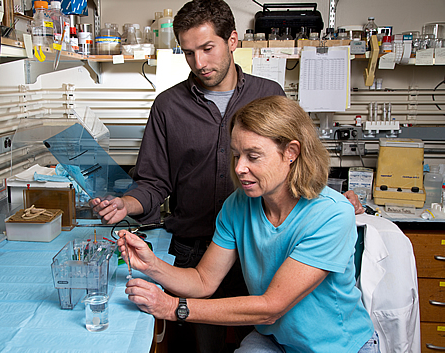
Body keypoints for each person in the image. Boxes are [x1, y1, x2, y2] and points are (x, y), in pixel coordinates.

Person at [92, 0, 362, 351]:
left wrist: (330, 200)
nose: (199, 63)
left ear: (232, 40)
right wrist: (134, 220)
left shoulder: (268, 95)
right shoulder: (170, 108)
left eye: (207, 48)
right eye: (189, 53)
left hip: (280, 280)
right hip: (200, 248)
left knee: (270, 319)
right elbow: (155, 182)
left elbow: (292, 162)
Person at [116, 95, 379, 353]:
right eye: (236, 155)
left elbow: (271, 307)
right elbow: (203, 280)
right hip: (277, 340)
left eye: (253, 156)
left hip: (336, 346)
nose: (240, 167)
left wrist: (173, 307)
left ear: (291, 152)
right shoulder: (238, 205)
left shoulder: (330, 215)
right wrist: (151, 264)